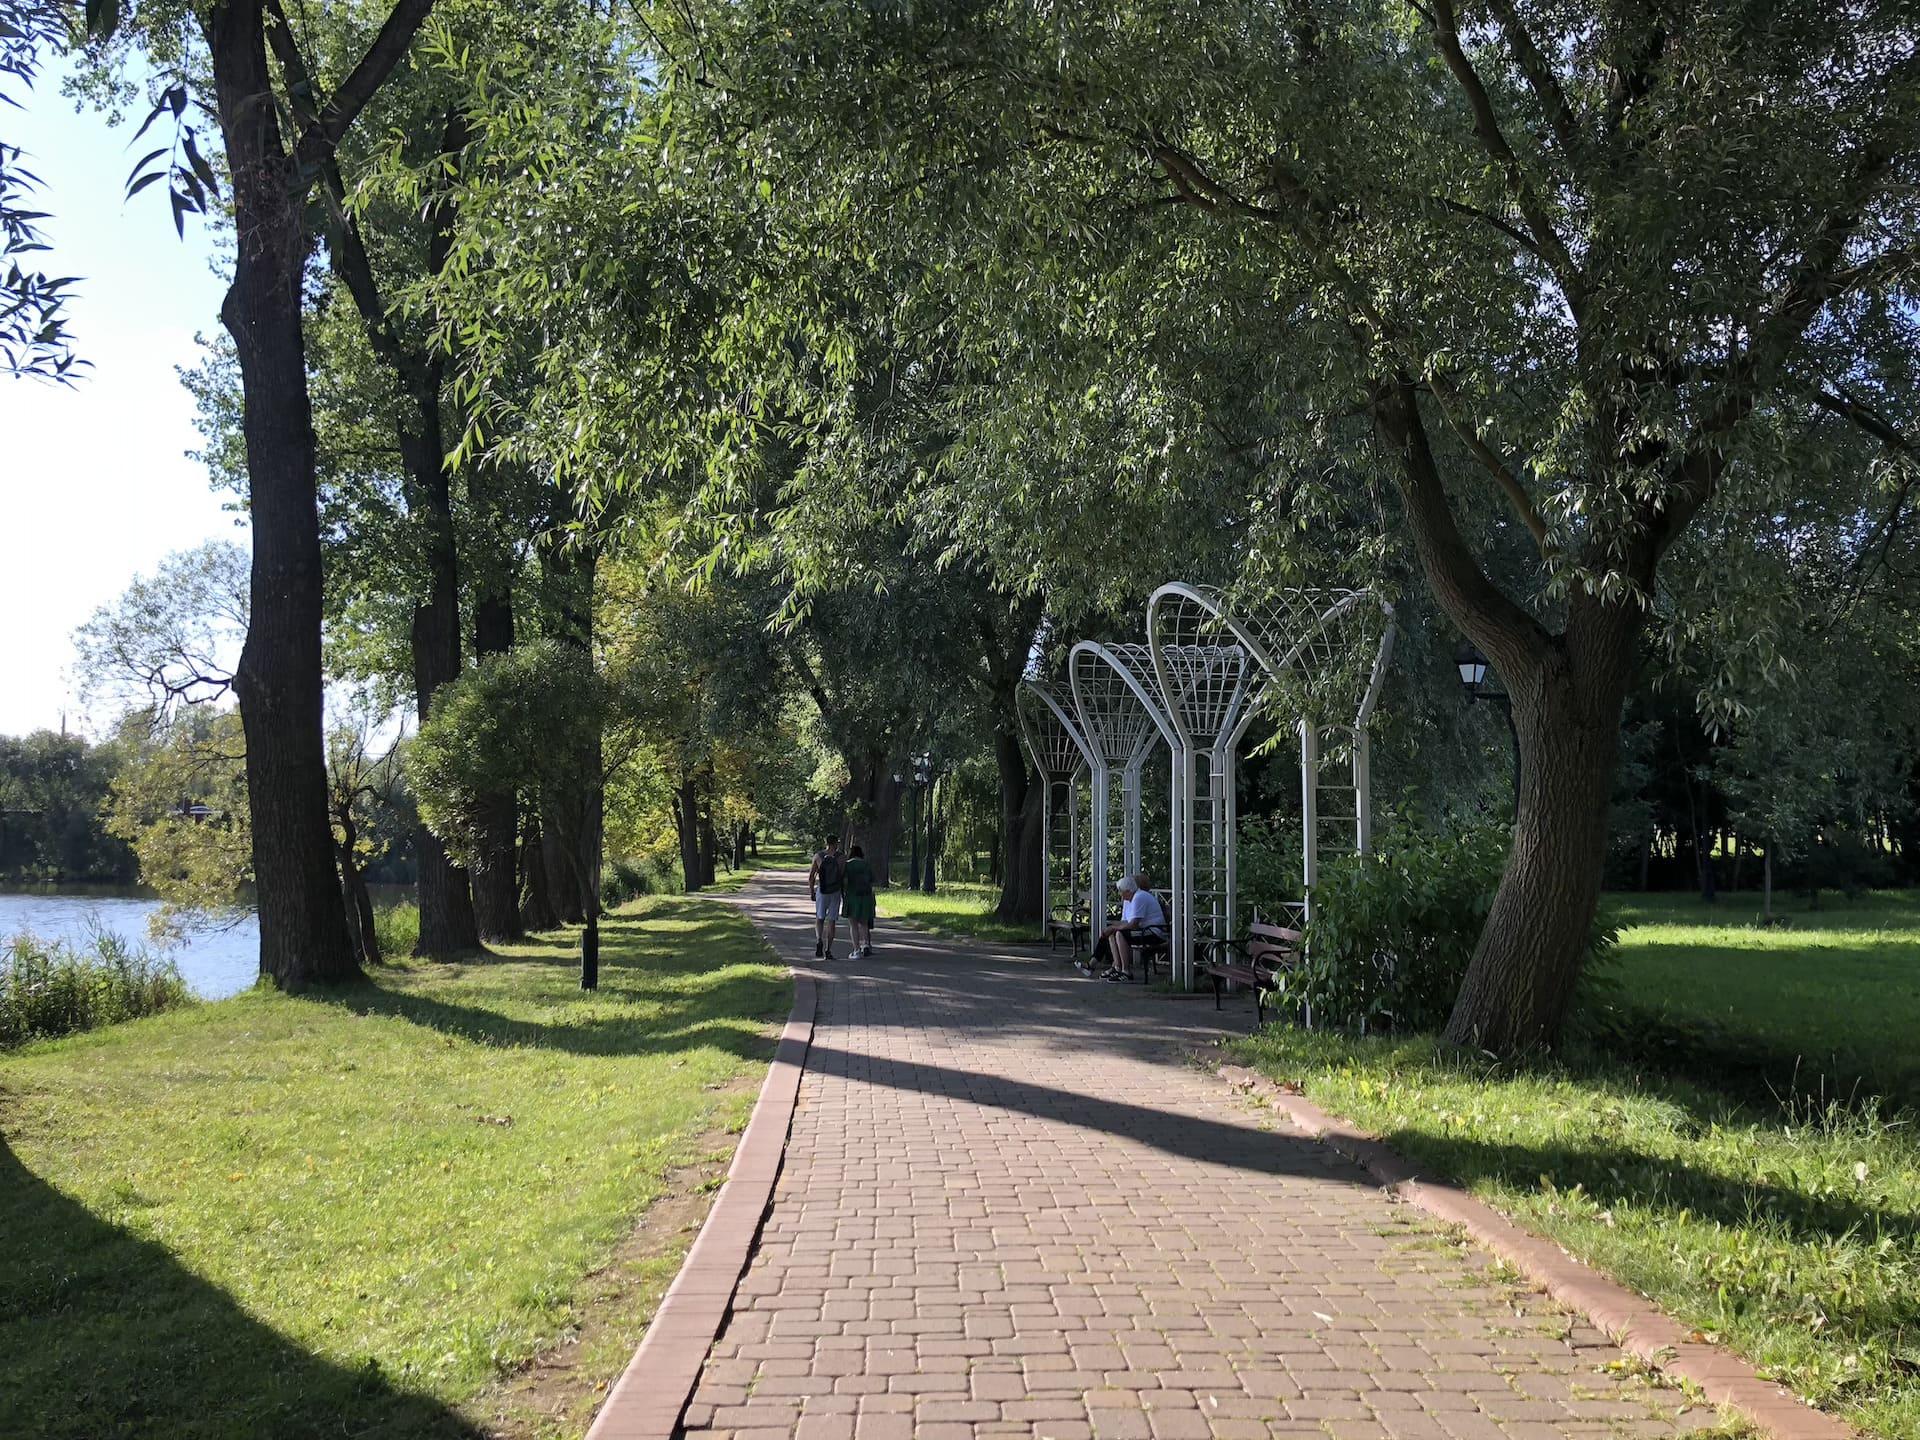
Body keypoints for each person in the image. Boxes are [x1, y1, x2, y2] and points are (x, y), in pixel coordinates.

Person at [1092, 873, 1167, 982]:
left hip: (1153, 932)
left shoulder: (1139, 897)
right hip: (1144, 930)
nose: (1120, 895)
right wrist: (1112, 928)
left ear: (1128, 891)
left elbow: (1134, 924)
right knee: (1113, 933)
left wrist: (1114, 928)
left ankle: (1126, 971)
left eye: (1121, 892)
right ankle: (1117, 967)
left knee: (1119, 933)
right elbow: (1125, 921)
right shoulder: (1130, 899)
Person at [809, 835, 846, 959]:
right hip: (835, 891)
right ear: (836, 843)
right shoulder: (841, 857)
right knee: (832, 921)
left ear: (826, 842)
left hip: (822, 890)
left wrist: (812, 892)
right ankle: (828, 950)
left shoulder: (818, 856)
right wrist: (843, 893)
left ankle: (819, 939)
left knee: (819, 918)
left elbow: (811, 876)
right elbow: (843, 877)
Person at [842, 842, 877, 959]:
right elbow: (872, 880)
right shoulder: (866, 864)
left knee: (853, 925)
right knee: (864, 923)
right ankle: (866, 944)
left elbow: (845, 881)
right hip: (866, 896)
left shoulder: (848, 865)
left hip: (852, 896)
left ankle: (856, 950)